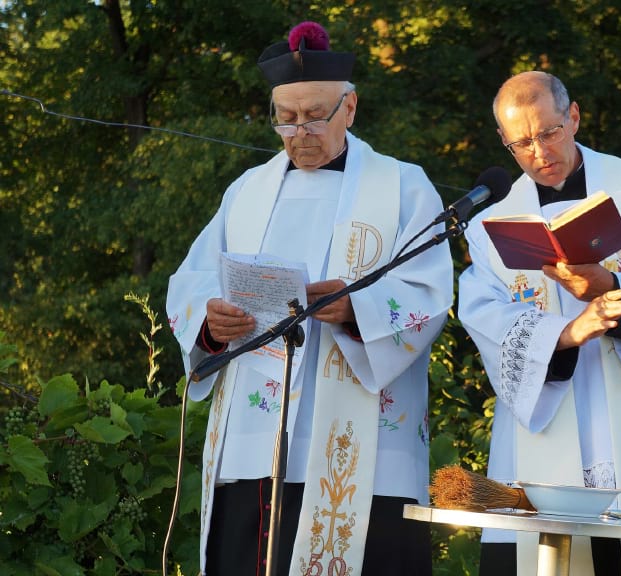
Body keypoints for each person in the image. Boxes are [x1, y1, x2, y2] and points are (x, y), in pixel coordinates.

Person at [167, 21, 453, 576]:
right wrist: (210, 321)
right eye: (287, 118)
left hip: (362, 437)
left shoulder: (403, 187)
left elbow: (427, 292)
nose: (301, 131)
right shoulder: (247, 190)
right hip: (255, 439)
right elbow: (193, 279)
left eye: (316, 115)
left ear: (350, 107)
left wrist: (356, 310)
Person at [458, 71, 621, 576]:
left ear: (574, 116)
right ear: (503, 141)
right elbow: (484, 314)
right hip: (542, 431)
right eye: (521, 141)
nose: (538, 151)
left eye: (550, 132)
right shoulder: (492, 223)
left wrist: (609, 289)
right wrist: (566, 333)